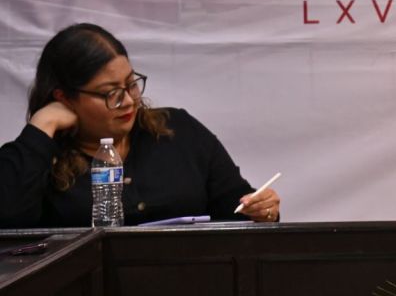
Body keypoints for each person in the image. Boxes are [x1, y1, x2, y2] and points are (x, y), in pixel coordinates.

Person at [0, 23, 281, 228]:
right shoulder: (34, 157)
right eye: (110, 93)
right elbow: (9, 225)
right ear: (64, 97)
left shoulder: (177, 130)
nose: (127, 101)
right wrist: (43, 124)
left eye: (131, 84)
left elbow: (235, 207)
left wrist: (261, 210)